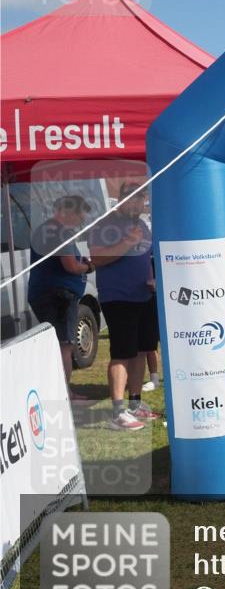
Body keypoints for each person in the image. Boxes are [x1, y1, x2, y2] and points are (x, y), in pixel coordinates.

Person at [89, 184, 160, 430]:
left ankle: (135, 403)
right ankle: (118, 413)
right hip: (118, 298)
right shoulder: (104, 225)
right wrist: (128, 242)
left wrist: (153, 279)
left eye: (141, 200)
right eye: (133, 199)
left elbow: (147, 258)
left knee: (141, 350)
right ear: (120, 199)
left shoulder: (142, 226)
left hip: (144, 295)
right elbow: (97, 258)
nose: (138, 204)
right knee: (122, 353)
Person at [27, 195, 95, 398]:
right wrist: (89, 266)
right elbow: (71, 266)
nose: (79, 223)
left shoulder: (44, 230)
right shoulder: (60, 232)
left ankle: (61, 391)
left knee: (59, 343)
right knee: (65, 344)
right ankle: (65, 395)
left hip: (46, 293)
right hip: (58, 296)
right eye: (79, 218)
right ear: (69, 212)